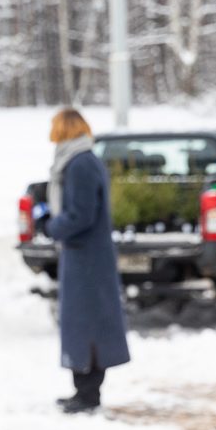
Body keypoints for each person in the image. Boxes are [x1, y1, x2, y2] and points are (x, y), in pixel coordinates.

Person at [33, 108, 130, 414]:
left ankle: (88, 393)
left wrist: (50, 226)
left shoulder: (80, 164)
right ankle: (84, 390)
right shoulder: (78, 161)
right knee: (85, 323)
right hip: (84, 255)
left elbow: (81, 215)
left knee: (87, 325)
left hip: (87, 257)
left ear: (63, 129)